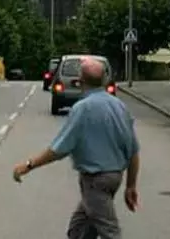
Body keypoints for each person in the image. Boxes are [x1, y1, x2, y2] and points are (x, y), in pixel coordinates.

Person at [13, 57, 141, 238]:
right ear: (105, 80)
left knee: (110, 232)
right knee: (78, 231)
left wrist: (29, 165)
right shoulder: (119, 106)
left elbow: (59, 149)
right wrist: (131, 185)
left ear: (80, 81)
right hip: (114, 178)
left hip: (96, 182)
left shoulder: (82, 109)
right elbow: (133, 151)